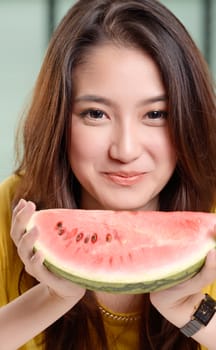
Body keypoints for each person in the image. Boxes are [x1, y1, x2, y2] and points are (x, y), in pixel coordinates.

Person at [0, 0, 216, 349]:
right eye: (96, 114)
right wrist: (51, 298)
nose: (126, 150)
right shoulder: (12, 210)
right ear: (59, 120)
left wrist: (192, 311)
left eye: (157, 114)